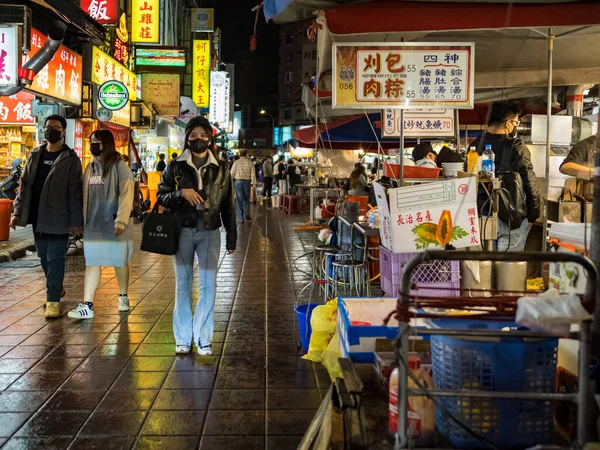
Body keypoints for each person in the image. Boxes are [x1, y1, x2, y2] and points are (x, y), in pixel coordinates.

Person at [157, 116, 236, 356]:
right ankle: (182, 338)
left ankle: (203, 338)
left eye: (203, 136)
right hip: (181, 231)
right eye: (193, 136)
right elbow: (161, 195)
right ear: (186, 139)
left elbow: (228, 205)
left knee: (208, 286)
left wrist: (231, 237)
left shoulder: (222, 168)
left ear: (210, 139)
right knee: (183, 285)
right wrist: (181, 193)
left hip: (210, 231)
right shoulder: (175, 166)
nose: (198, 140)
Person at [10, 114, 83, 318]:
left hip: (60, 217)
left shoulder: (70, 159)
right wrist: (17, 213)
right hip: (38, 217)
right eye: (48, 127)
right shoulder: (35, 155)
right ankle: (56, 287)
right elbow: (24, 187)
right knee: (43, 257)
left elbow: (75, 193)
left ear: (63, 131)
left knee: (55, 259)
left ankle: (52, 300)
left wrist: (77, 223)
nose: (51, 130)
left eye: (55, 127)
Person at [67, 130, 135, 320]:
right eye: (91, 141)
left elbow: (127, 193)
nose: (93, 144)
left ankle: (123, 296)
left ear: (106, 143)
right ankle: (87, 304)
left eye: (96, 141)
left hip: (114, 225)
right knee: (92, 263)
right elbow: (82, 195)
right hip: (93, 226)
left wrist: (121, 220)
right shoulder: (89, 168)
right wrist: (79, 222)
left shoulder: (119, 166)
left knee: (119, 261)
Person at [470, 100, 542, 252]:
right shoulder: (516, 146)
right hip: (511, 216)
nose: (516, 125)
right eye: (516, 122)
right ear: (508, 123)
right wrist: (533, 214)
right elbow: (529, 180)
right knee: (508, 269)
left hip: (479, 214)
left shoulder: (475, 145)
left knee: (483, 267)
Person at [230, 149, 256, 222]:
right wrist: (254, 184)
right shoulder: (250, 162)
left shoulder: (236, 162)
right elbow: (253, 174)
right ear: (246, 154)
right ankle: (247, 214)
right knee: (247, 198)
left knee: (239, 199)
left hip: (238, 182)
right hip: (247, 182)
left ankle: (240, 218)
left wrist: (230, 182)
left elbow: (232, 173)